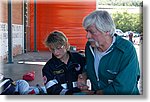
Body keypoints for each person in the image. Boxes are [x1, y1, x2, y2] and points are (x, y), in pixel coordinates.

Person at [77, 10, 140, 95]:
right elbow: (90, 66)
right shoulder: (90, 47)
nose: (87, 36)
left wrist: (94, 94)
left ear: (106, 31)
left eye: (91, 32)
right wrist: (84, 75)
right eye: (86, 31)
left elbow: (124, 87)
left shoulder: (126, 50)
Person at [42, 30, 86, 95]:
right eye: (52, 49)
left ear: (66, 45)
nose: (55, 52)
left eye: (58, 48)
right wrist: (71, 94)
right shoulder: (48, 68)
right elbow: (51, 89)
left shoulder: (79, 59)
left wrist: (85, 75)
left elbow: (92, 71)